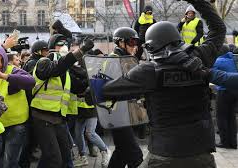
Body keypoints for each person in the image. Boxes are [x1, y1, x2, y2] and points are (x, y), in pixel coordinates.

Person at [100, 0, 225, 167]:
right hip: (202, 153)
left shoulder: (147, 71)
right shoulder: (200, 57)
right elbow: (219, 28)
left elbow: (107, 90)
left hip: (163, 155)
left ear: (151, 46)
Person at [30, 35, 94, 168]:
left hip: (60, 119)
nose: (64, 47)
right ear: (51, 48)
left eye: (66, 44)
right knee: (54, 159)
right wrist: (80, 51)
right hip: (43, 118)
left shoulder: (66, 69)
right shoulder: (43, 63)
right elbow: (58, 67)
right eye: (60, 44)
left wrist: (92, 72)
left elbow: (79, 87)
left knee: (66, 158)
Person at [102, 27, 144, 168]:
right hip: (117, 114)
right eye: (131, 42)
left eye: (136, 42)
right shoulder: (114, 59)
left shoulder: (127, 59)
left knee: (121, 153)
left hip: (124, 113)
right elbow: (111, 87)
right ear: (120, 43)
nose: (135, 46)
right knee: (135, 156)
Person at [212, 44, 237, 149]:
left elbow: (211, 74)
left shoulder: (218, 61)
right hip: (235, 90)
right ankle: (233, 142)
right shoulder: (233, 59)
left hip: (224, 91)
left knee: (221, 117)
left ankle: (224, 142)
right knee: (231, 117)